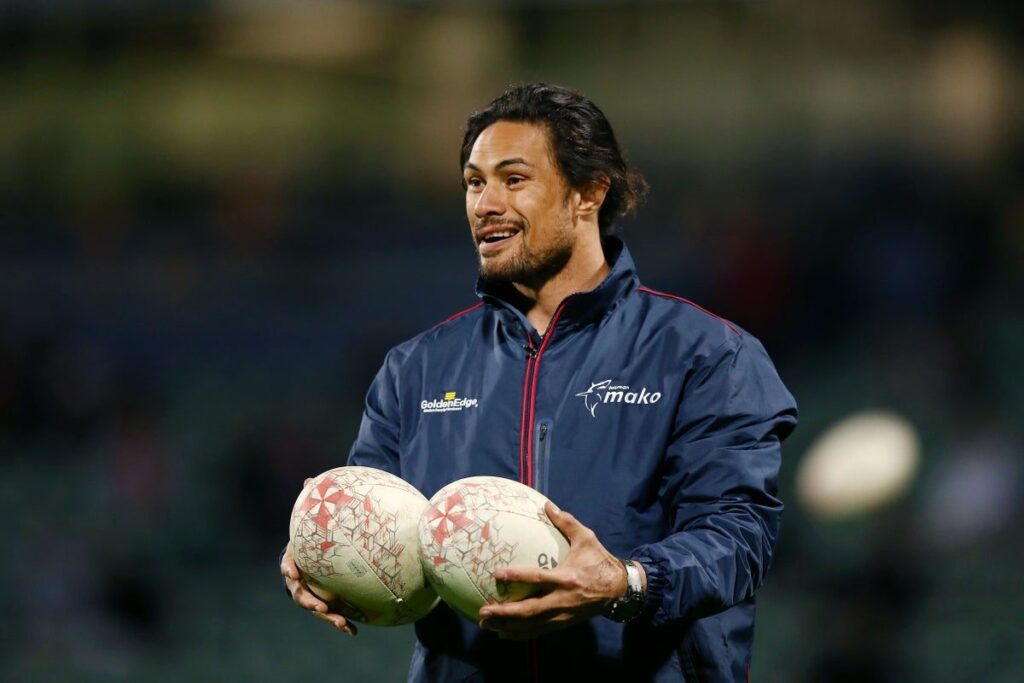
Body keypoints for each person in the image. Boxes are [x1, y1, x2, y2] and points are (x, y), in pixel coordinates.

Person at [280, 82, 797, 682]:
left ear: (590, 191)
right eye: (475, 182)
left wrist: (626, 584)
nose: (485, 204)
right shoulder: (416, 368)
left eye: (513, 179)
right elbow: (375, 519)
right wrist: (317, 556)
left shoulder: (707, 354)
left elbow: (739, 538)